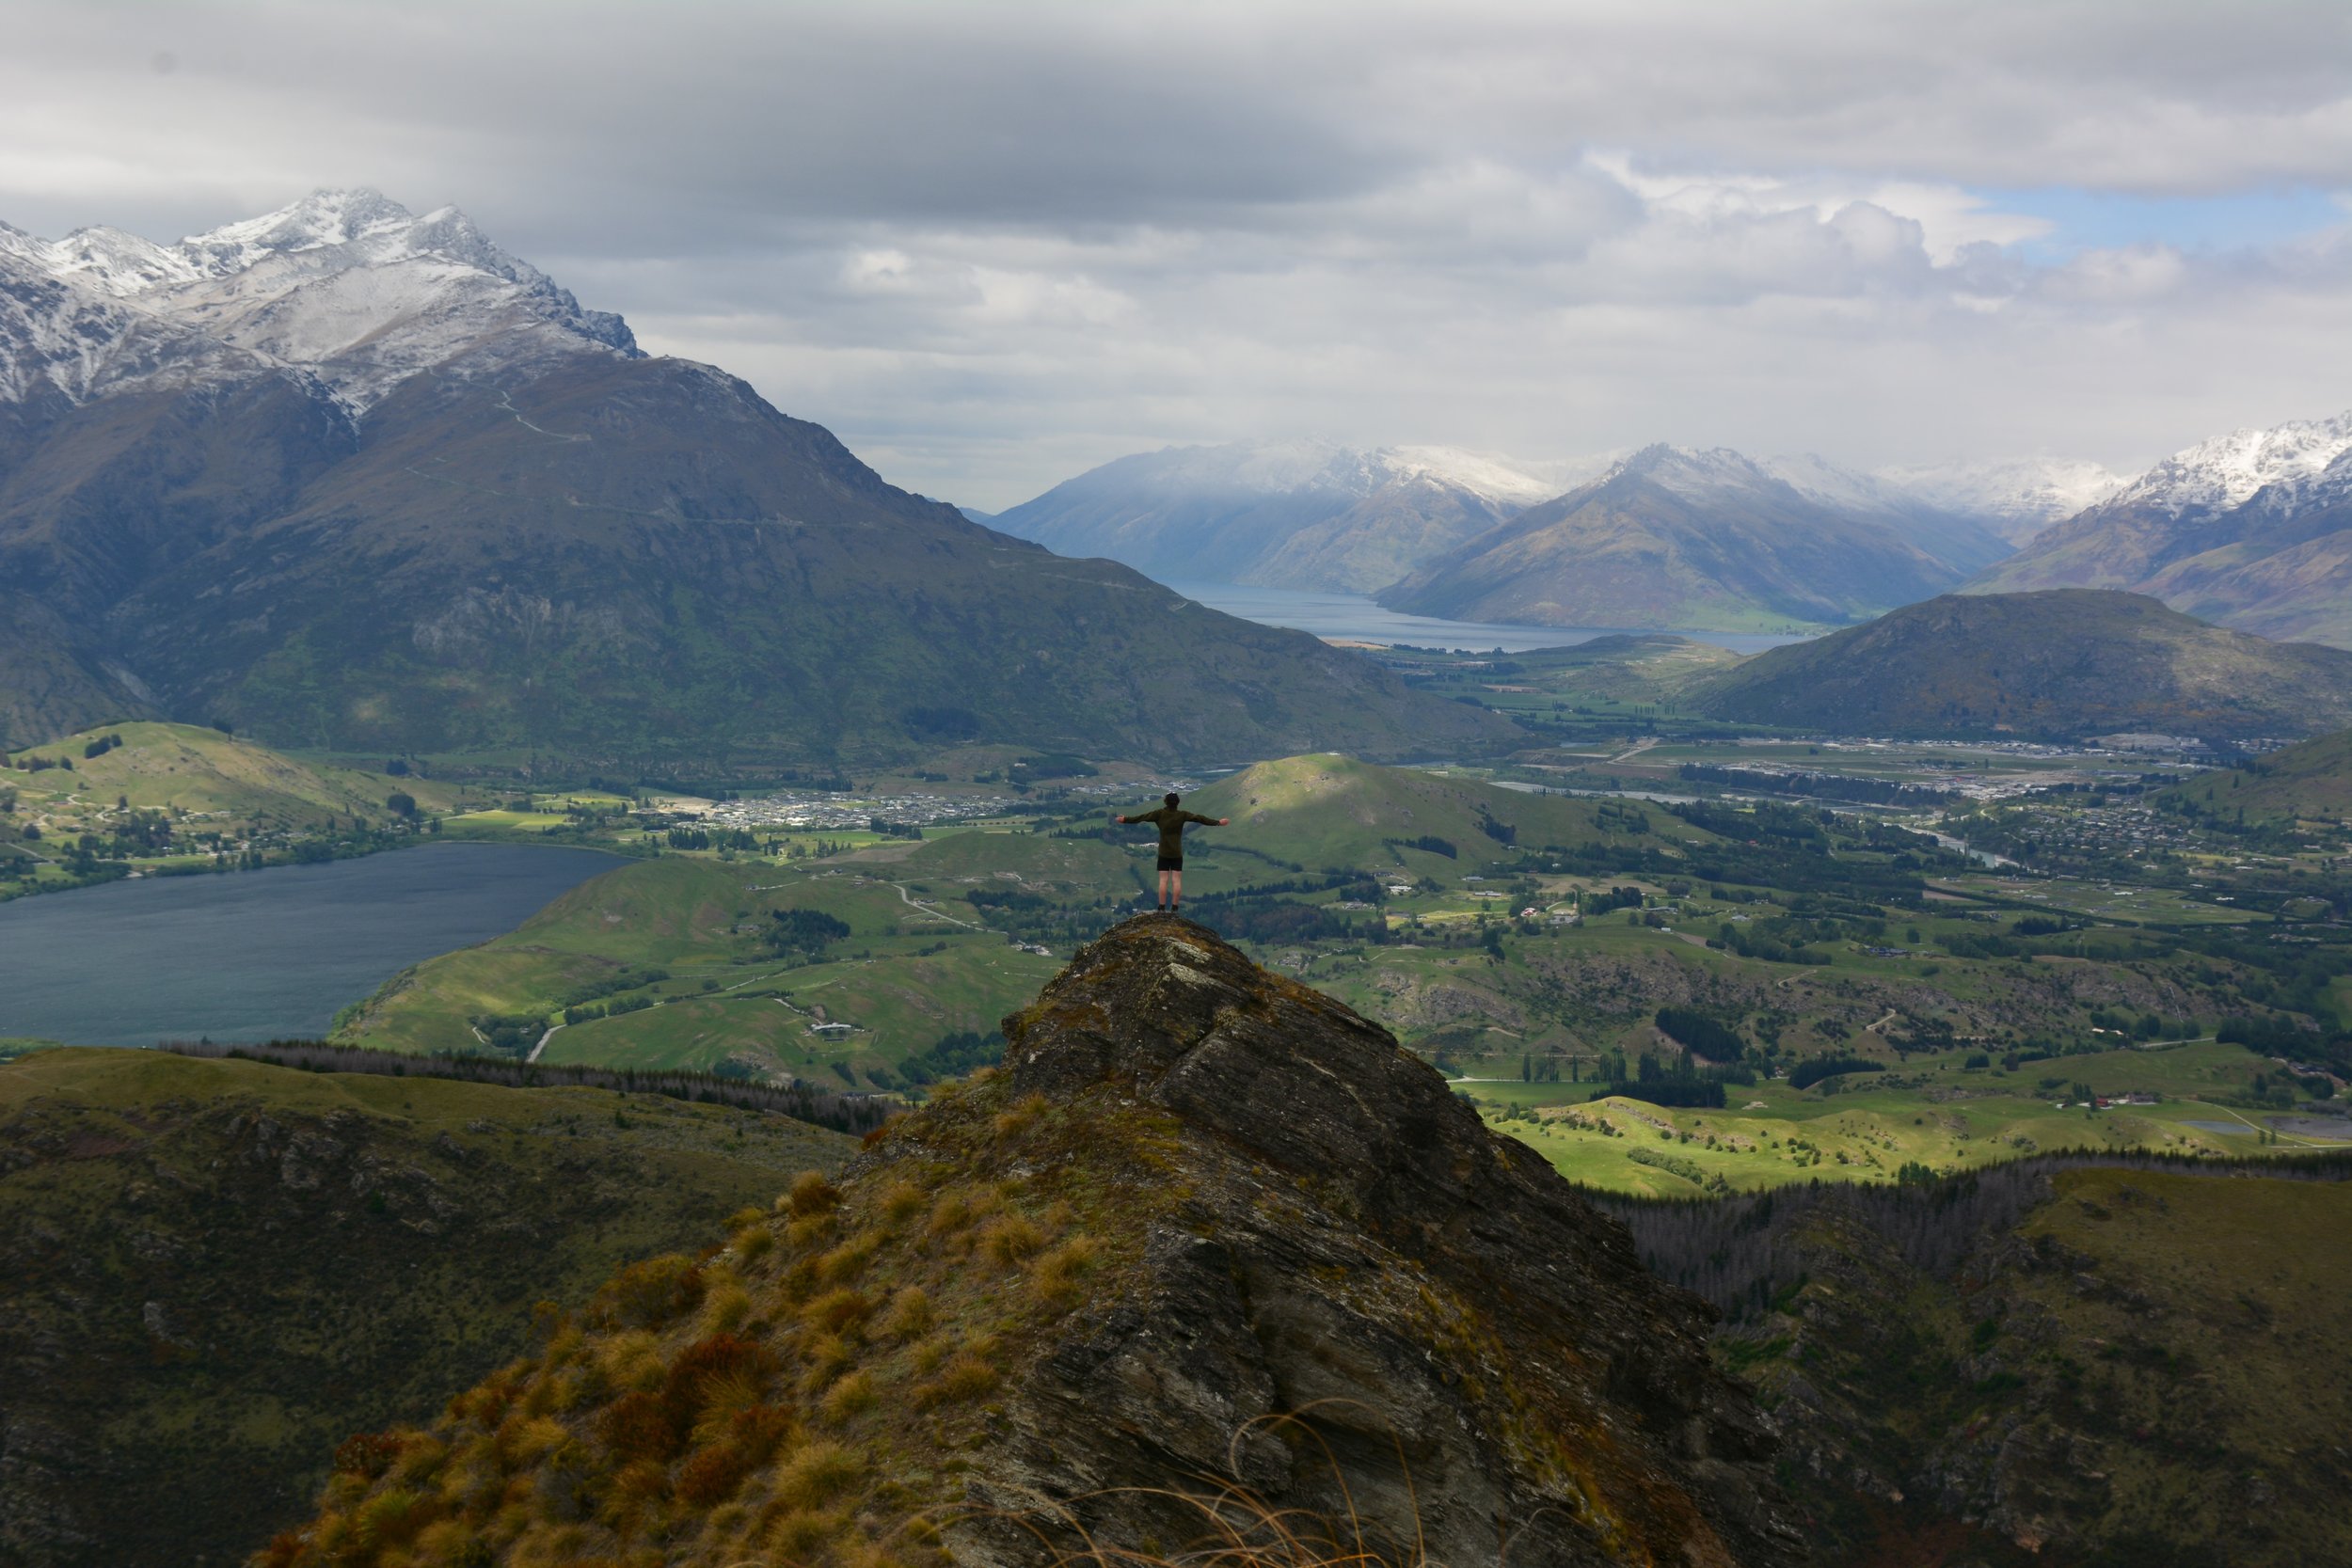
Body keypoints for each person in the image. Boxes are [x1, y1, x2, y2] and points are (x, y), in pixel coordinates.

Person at [1115, 792, 1227, 913]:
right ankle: (1174, 908)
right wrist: (1218, 822)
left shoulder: (1159, 814)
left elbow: (1142, 817)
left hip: (1164, 852)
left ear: (1165, 802)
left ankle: (1161, 908)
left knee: (1163, 881)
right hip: (1177, 853)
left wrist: (1125, 819)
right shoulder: (1182, 815)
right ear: (1177, 803)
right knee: (1176, 881)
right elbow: (1199, 818)